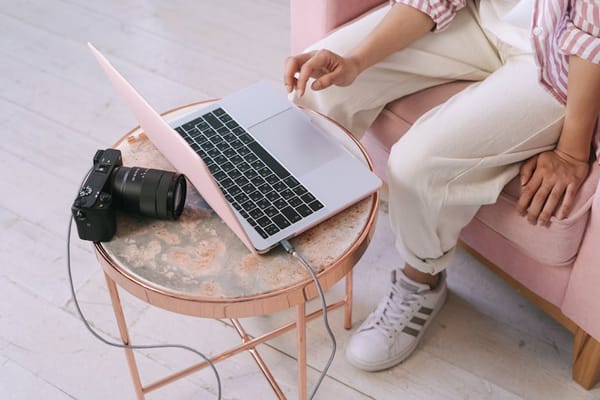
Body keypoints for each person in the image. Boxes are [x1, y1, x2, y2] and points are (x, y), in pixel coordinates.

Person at [283, 0, 600, 372]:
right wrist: (355, 61)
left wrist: (572, 153)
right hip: (481, 18)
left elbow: (591, 35)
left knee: (417, 166)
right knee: (319, 84)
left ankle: (421, 282)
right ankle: (293, 230)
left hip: (557, 64)